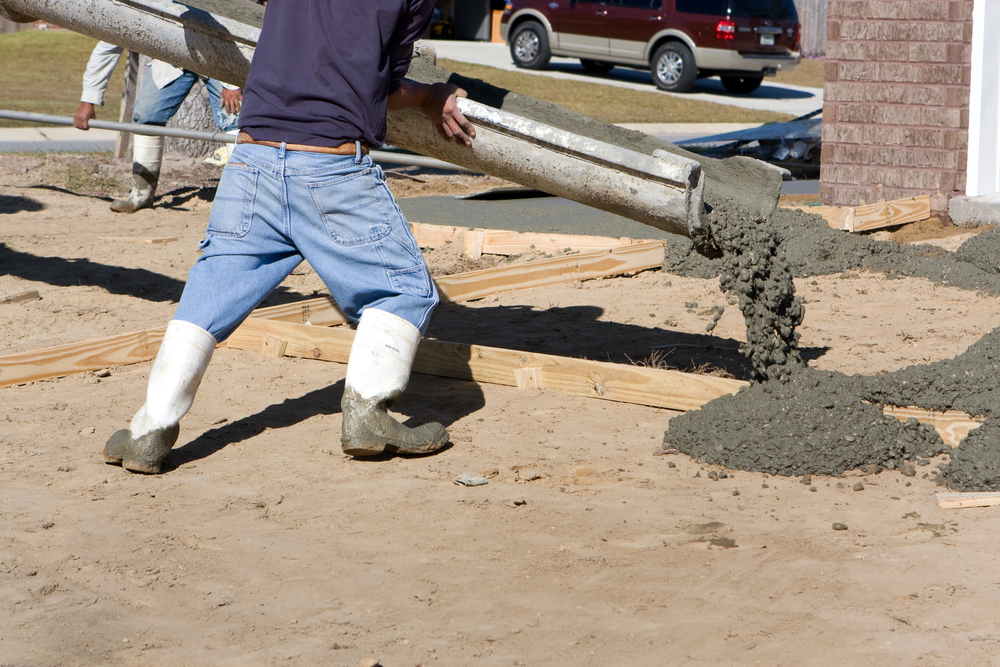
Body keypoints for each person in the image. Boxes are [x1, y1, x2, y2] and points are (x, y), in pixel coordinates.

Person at [103, 0, 476, 474]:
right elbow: (383, 88)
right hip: (329, 165)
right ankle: (368, 415)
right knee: (402, 289)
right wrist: (430, 95)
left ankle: (148, 430)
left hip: (250, 159)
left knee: (210, 294)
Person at [73, 42, 244, 213]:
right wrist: (89, 99)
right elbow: (107, 46)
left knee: (234, 116)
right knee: (146, 115)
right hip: (175, 57)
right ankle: (140, 195)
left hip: (222, 55)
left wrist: (233, 83)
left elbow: (228, 33)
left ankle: (243, 198)